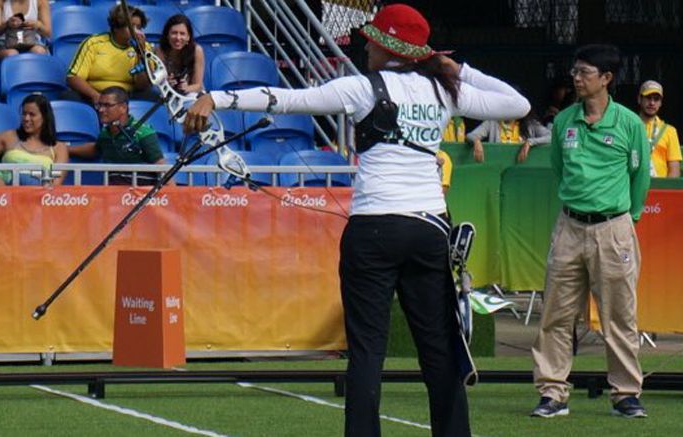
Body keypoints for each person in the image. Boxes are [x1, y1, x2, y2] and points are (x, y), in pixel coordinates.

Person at [184, 4, 530, 436]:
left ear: (388, 47)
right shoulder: (446, 90)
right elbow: (519, 103)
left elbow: (289, 99)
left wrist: (216, 97)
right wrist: (455, 68)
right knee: (439, 349)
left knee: (368, 350)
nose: (365, 47)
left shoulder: (363, 88)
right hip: (427, 228)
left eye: (372, 40)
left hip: (373, 231)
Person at [531, 44, 650, 419]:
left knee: (619, 316)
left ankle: (626, 393)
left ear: (607, 79)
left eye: (584, 72)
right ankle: (552, 393)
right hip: (569, 226)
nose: (576, 78)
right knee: (556, 314)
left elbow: (640, 177)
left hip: (614, 228)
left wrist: (626, 219)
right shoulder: (565, 120)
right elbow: (558, 168)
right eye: (575, 72)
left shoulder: (630, 123)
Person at [68, 86, 168, 186]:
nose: (101, 110)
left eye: (107, 105)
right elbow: (96, 149)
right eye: (100, 105)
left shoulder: (143, 132)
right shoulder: (105, 133)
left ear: (123, 108)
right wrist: (66, 149)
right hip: (112, 194)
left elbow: (162, 169)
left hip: (140, 195)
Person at [65, 5, 152, 105]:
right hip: (95, 93)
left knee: (152, 97)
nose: (136, 32)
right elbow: (73, 78)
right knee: (69, 96)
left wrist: (140, 53)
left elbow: (143, 86)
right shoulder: (93, 43)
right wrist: (95, 96)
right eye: (131, 26)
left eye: (139, 27)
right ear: (116, 28)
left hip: (127, 97)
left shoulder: (145, 48)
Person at [0, 94, 68, 186]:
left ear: (45, 117)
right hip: (8, 194)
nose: (26, 118)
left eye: (32, 114)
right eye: (24, 114)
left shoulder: (59, 148)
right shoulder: (9, 137)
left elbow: (55, 184)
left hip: (39, 196)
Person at [637, 80, 682, 178]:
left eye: (656, 99)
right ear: (639, 99)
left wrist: (666, 191)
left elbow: (674, 169)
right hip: (633, 186)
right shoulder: (630, 127)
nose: (652, 103)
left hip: (659, 187)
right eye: (648, 98)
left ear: (661, 103)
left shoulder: (669, 131)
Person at [467, 112, 551, 163]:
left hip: (521, 170)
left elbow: (551, 136)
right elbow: (470, 135)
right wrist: (476, 141)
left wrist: (530, 142)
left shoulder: (530, 124)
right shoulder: (492, 122)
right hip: (498, 169)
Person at [154, 14, 205, 95]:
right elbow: (156, 82)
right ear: (167, 35)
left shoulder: (196, 50)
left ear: (188, 37)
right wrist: (166, 83)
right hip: (166, 93)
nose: (178, 38)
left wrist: (185, 88)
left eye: (182, 34)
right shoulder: (159, 50)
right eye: (174, 33)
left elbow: (198, 86)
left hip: (192, 93)